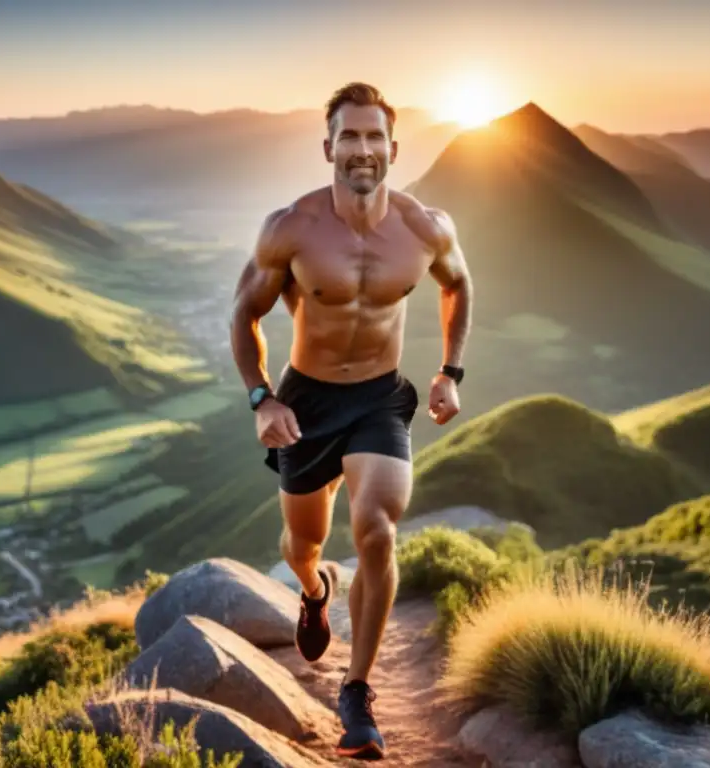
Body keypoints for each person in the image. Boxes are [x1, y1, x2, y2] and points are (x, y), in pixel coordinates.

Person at [229, 82, 472, 760]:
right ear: (328, 147)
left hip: (378, 400)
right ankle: (314, 591)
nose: (362, 150)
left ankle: (357, 690)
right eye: (349, 137)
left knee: (376, 530)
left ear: (392, 149)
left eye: (374, 138)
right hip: (304, 403)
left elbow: (459, 284)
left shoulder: (426, 227)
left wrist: (450, 372)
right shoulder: (291, 228)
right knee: (301, 546)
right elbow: (244, 314)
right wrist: (262, 399)